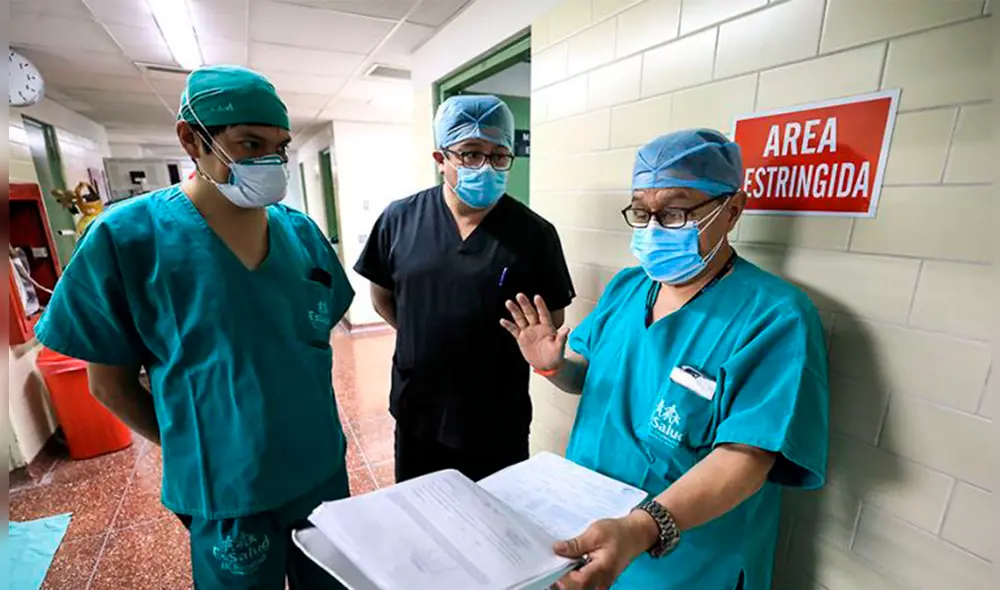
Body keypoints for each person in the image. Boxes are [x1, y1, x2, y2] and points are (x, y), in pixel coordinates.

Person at [35, 65, 352, 590]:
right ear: (191, 139)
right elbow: (107, 384)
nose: (269, 162)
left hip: (319, 470)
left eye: (279, 146)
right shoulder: (127, 238)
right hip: (227, 490)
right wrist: (194, 448)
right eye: (250, 143)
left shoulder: (301, 234)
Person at [501, 129, 829, 590]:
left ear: (732, 210)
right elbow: (593, 379)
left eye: (674, 212)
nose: (653, 228)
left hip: (689, 562)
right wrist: (553, 367)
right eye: (641, 211)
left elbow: (747, 455)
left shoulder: (774, 316)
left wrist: (641, 528)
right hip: (590, 527)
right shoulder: (628, 287)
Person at [355, 94, 576, 483]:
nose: (486, 167)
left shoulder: (534, 234)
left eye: (498, 155)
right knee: (423, 520)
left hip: (496, 417)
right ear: (441, 159)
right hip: (418, 410)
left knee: (495, 527)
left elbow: (548, 320)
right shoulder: (399, 219)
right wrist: (427, 332)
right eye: (471, 154)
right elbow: (383, 298)